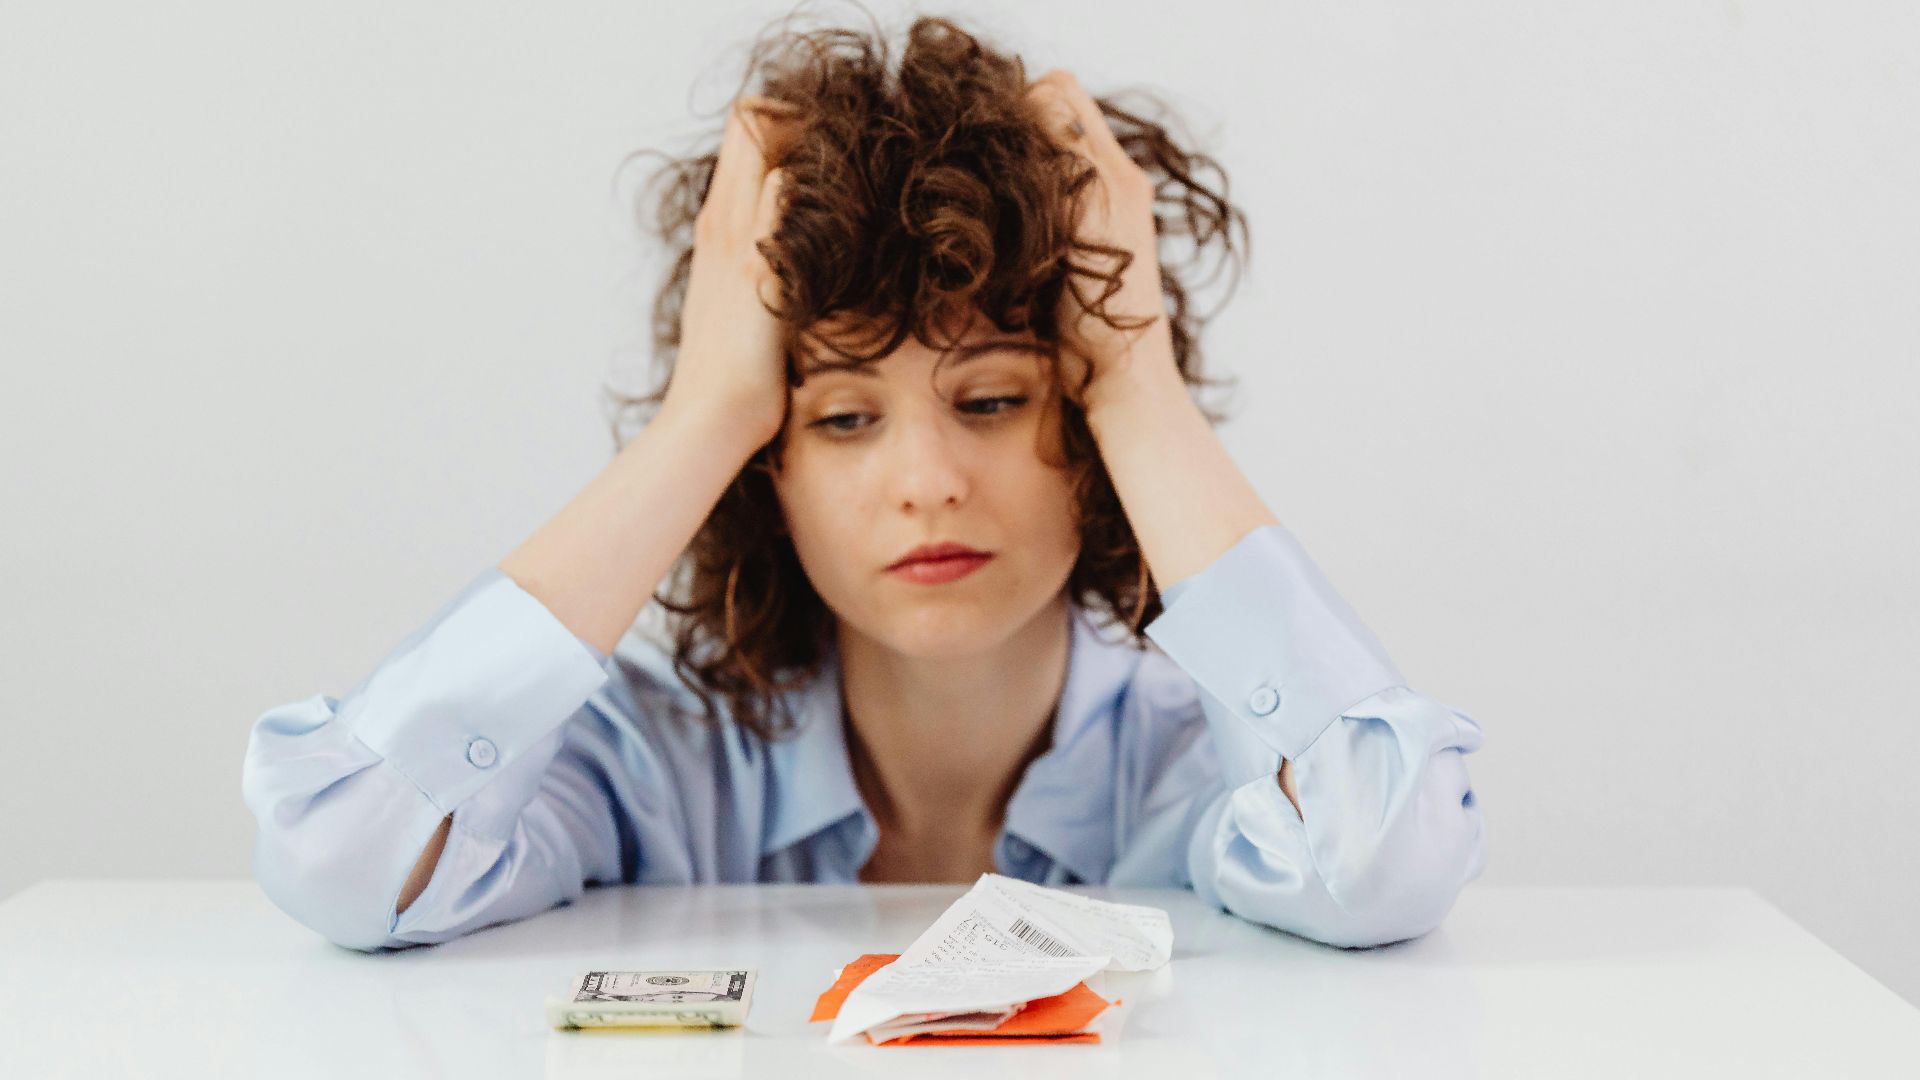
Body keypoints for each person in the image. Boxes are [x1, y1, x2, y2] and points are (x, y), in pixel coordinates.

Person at [240, 11, 1485, 954]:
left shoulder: (1192, 769)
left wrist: (1137, 376)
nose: (928, 482)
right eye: (842, 418)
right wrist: (709, 411)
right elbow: (346, 859)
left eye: (993, 400)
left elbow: (1376, 858)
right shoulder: (658, 769)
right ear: (767, 468)